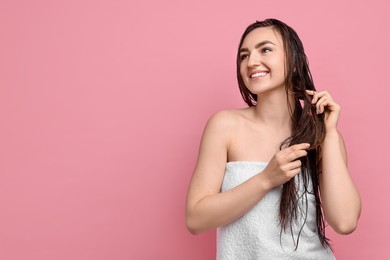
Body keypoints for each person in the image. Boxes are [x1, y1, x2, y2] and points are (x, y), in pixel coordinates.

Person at [185, 18, 361, 259]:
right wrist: (266, 179)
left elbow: (345, 221)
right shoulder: (224, 126)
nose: (251, 62)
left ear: (294, 61)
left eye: (265, 49)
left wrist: (329, 134)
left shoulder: (322, 135)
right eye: (244, 56)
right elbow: (196, 219)